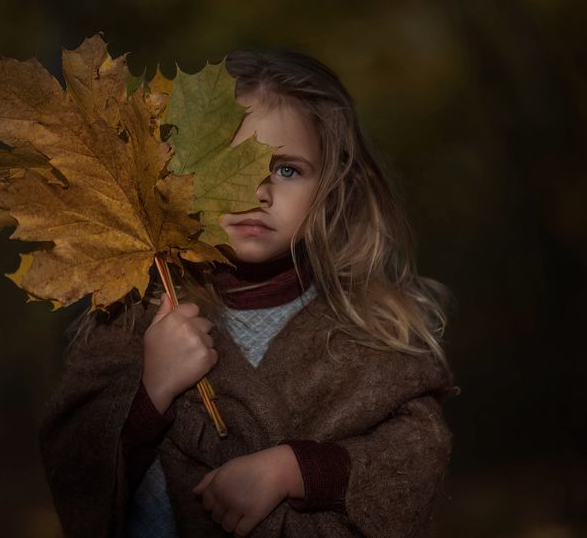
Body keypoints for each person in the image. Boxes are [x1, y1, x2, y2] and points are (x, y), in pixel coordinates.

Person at [39, 50, 456, 538]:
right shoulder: (135, 317)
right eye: (228, 163)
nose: (257, 190)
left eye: (287, 170)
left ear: (332, 188)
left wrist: (294, 470)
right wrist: (151, 393)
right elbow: (74, 465)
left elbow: (416, 456)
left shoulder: (369, 327)